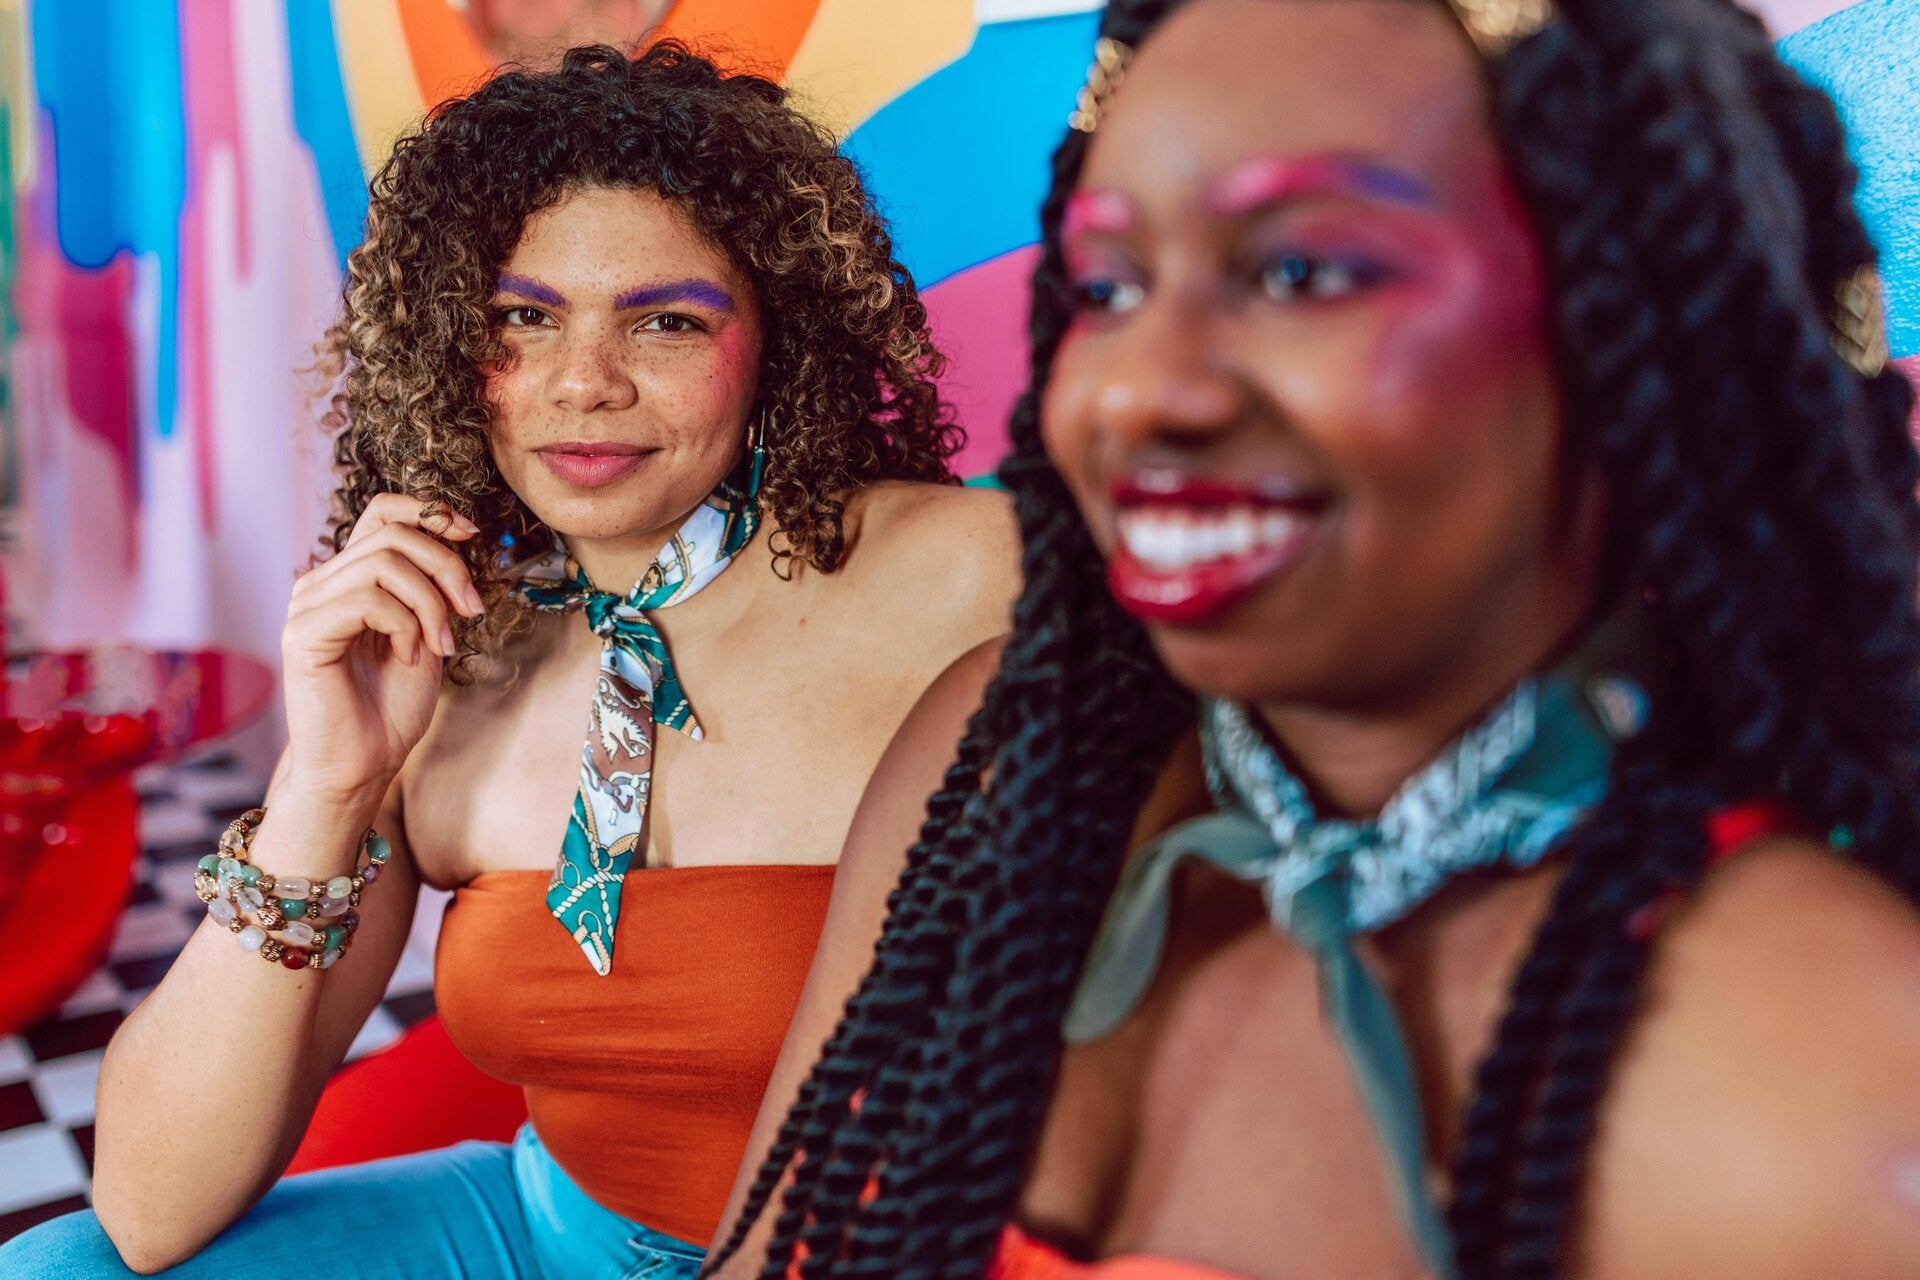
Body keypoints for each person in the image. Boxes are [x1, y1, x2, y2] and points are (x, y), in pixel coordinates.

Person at [702, 1, 1920, 1277]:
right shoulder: (997, 771)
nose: (1138, 389)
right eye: (1109, 286)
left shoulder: (1821, 1096)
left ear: (1624, 323)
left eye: (1300, 275)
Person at [0, 42, 1016, 1280]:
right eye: (522, 319)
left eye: (666, 321)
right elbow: (150, 1206)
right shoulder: (450, 646)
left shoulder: (978, 578)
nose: (583, 383)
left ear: (777, 342)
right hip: (545, 1236)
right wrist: (329, 784)